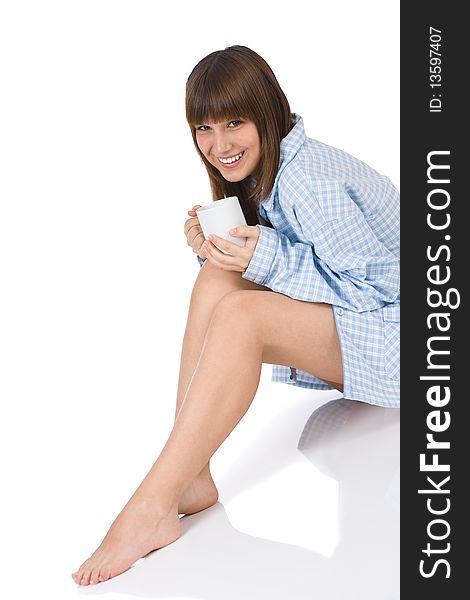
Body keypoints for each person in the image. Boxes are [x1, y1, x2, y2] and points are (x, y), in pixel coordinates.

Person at [72, 45, 400, 586]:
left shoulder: (308, 180)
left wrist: (264, 258)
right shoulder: (268, 169)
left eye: (234, 123)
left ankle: (152, 504)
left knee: (242, 318)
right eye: (204, 128)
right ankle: (191, 474)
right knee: (217, 281)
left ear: (266, 114)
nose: (219, 145)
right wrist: (221, 250)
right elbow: (295, 259)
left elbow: (382, 288)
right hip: (377, 324)